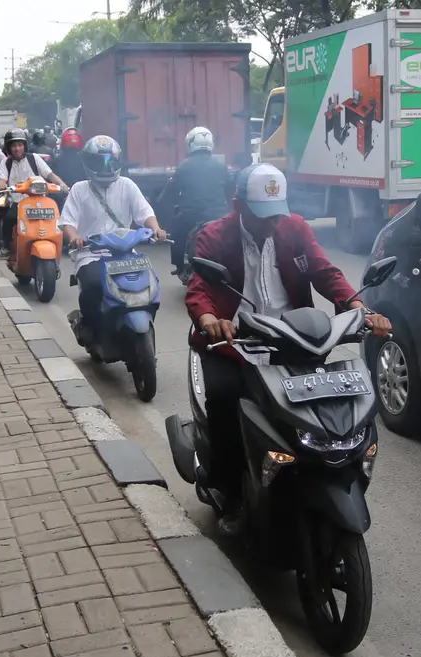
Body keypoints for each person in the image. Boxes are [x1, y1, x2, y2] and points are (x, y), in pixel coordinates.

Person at [185, 164, 393, 534]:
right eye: (261, 215)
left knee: (325, 412)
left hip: (294, 340)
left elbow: (325, 272)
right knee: (225, 403)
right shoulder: (214, 236)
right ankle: (230, 493)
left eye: (275, 214)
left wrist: (360, 309)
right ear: (238, 204)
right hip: (237, 344)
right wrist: (210, 321)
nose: (271, 224)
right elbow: (199, 288)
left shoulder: (294, 227)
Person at [59, 135, 167, 342]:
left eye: (111, 162)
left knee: (149, 284)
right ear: (88, 163)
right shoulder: (79, 189)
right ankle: (90, 326)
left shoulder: (127, 184)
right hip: (91, 252)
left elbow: (144, 212)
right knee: (92, 285)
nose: (106, 169)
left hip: (125, 251)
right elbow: (68, 222)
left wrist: (156, 229)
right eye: (100, 163)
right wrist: (74, 238)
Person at [158, 126, 233, 275]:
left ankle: (179, 265)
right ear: (211, 143)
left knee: (177, 229)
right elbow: (230, 189)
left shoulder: (183, 166)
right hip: (219, 215)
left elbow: (169, 194)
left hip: (191, 217)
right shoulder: (221, 165)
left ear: (190, 144)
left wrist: (164, 212)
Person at [0, 128, 69, 259]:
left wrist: (62, 185)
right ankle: (6, 246)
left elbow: (50, 175)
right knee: (9, 218)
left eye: (20, 145)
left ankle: (64, 242)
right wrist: (3, 186)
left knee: (57, 217)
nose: (17, 149)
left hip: (40, 201)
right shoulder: (6, 162)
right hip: (19, 203)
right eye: (14, 146)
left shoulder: (34, 158)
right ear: (9, 147)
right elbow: (2, 180)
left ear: (25, 146)